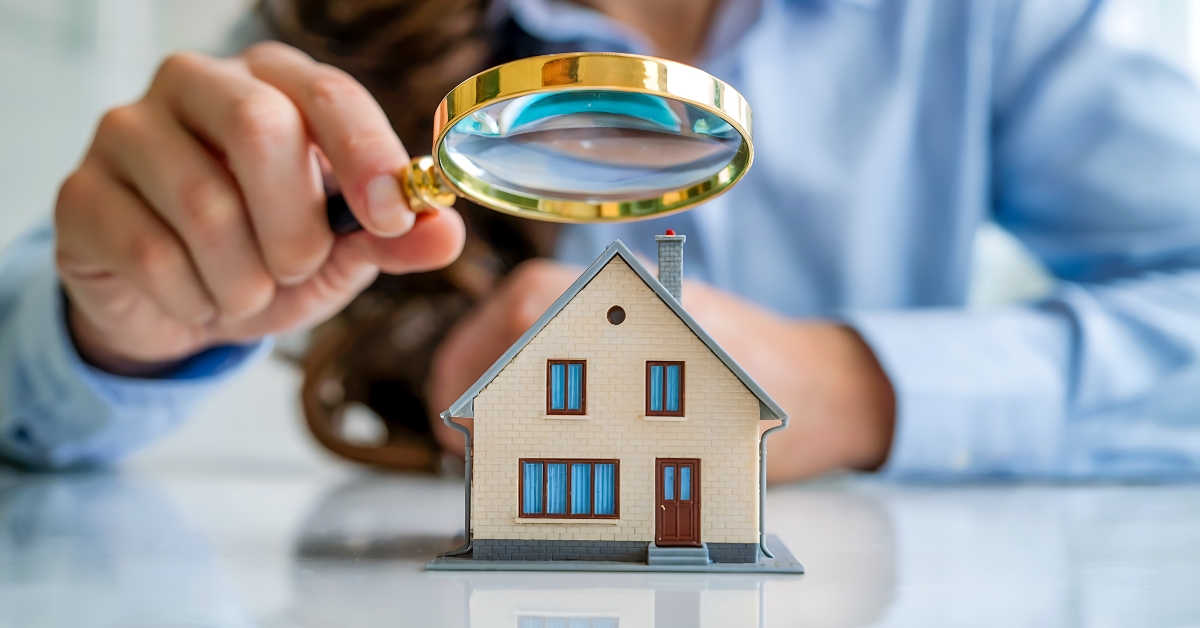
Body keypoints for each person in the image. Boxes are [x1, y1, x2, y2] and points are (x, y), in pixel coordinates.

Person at [2, 0, 1199, 479]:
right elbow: (27, 362)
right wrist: (110, 335)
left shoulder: (984, 20)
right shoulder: (340, 22)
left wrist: (851, 385)